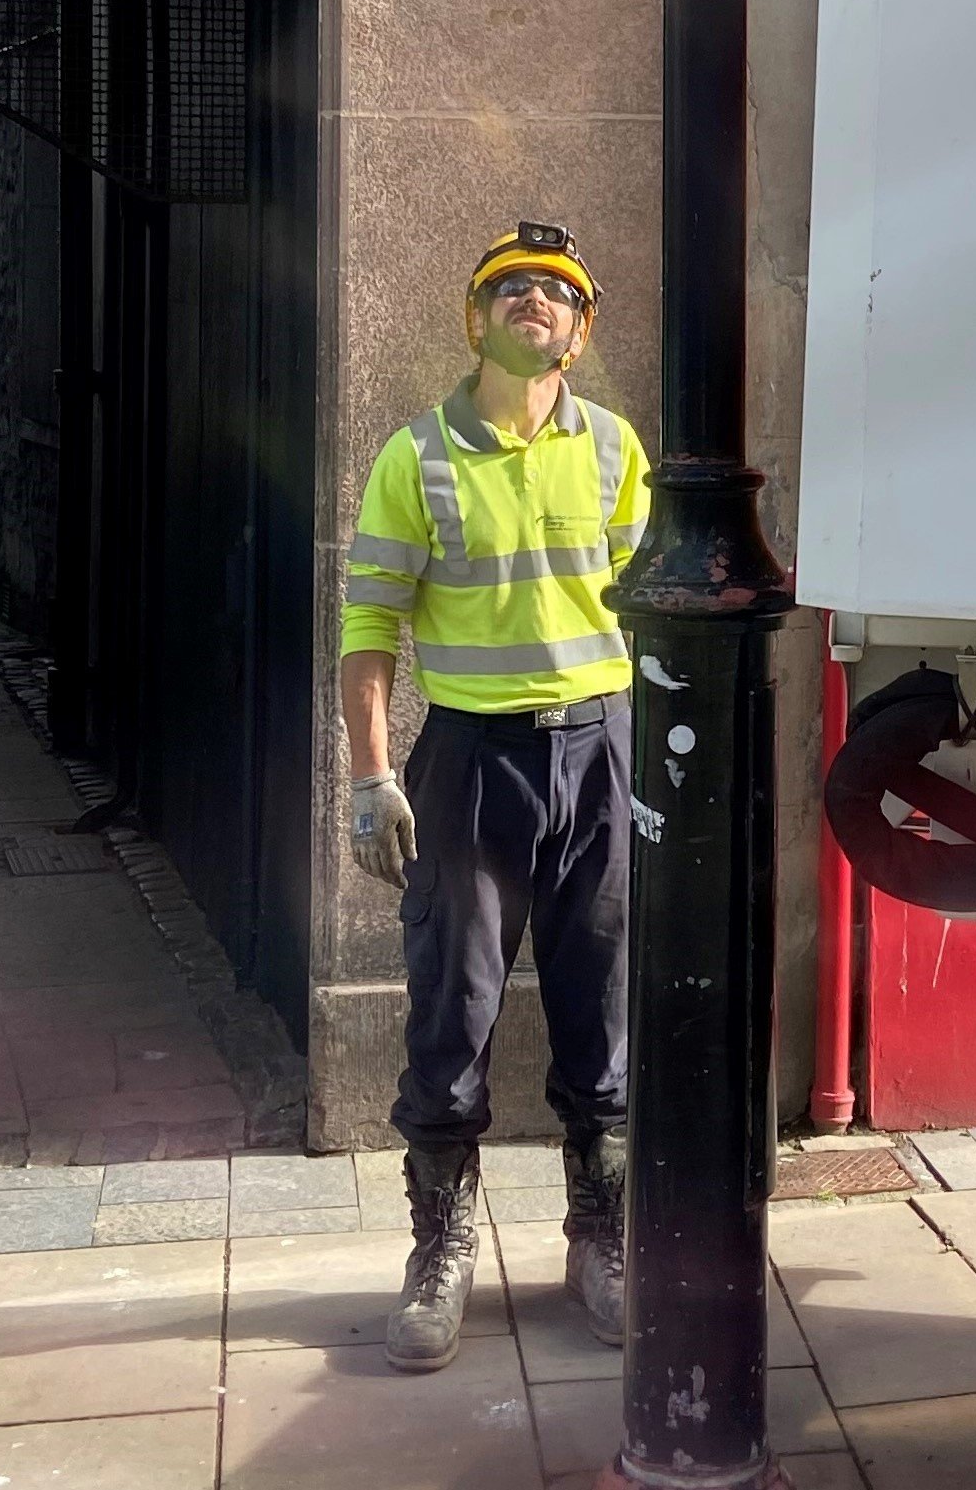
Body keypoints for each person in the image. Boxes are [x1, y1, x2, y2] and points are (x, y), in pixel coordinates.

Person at [340, 222, 650, 1373]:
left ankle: (602, 1237)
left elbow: (651, 611)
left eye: (557, 293)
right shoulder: (416, 457)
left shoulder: (615, 450)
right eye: (511, 289)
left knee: (601, 1006)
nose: (535, 303)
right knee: (451, 1008)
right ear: (476, 319)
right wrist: (373, 776)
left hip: (602, 753)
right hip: (471, 761)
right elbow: (371, 626)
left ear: (580, 328)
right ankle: (441, 1251)